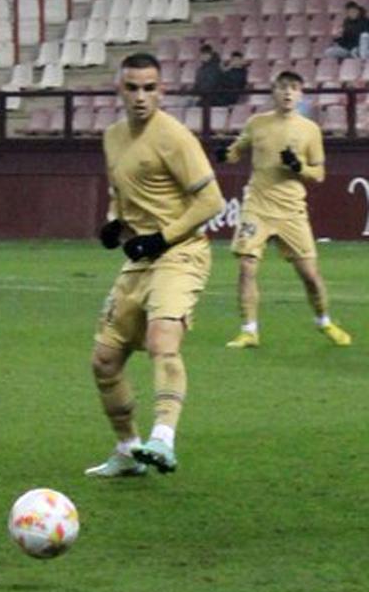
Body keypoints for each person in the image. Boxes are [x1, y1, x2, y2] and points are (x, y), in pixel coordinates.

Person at [88, 53, 224, 478]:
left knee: (163, 340)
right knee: (105, 361)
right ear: (120, 90)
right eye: (133, 88)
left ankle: (163, 438)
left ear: (162, 91)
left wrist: (161, 238)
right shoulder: (112, 137)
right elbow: (120, 193)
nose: (141, 96)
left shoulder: (175, 137)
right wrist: (114, 223)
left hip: (181, 253)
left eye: (150, 88)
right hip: (141, 259)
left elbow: (211, 201)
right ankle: (129, 450)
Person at [216, 71, 352, 349]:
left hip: (291, 210)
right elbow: (237, 150)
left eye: (294, 88)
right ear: (273, 92)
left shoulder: (309, 129)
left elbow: (319, 174)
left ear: (300, 93)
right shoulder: (257, 123)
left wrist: (297, 167)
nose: (288, 93)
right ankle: (249, 330)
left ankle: (324, 321)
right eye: (282, 87)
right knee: (247, 265)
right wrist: (224, 155)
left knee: (310, 277)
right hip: (258, 205)